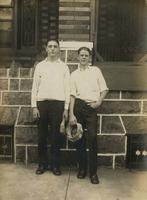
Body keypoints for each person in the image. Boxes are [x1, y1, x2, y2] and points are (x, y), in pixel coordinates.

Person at [69, 47, 108, 184]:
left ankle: (93, 173)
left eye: (86, 55)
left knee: (92, 139)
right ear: (78, 57)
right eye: (81, 55)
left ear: (90, 57)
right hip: (78, 107)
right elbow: (72, 95)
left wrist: (98, 103)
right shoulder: (74, 74)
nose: (84, 57)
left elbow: (104, 89)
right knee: (79, 139)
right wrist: (71, 113)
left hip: (91, 108)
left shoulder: (96, 71)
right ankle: (82, 170)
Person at [31, 40, 70, 175]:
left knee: (56, 136)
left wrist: (66, 108)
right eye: (50, 46)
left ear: (59, 49)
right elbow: (34, 87)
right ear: (46, 49)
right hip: (42, 104)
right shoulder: (40, 66)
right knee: (41, 136)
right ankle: (42, 164)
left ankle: (55, 165)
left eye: (55, 46)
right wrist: (34, 106)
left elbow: (67, 88)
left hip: (58, 105)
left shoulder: (64, 67)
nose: (52, 49)